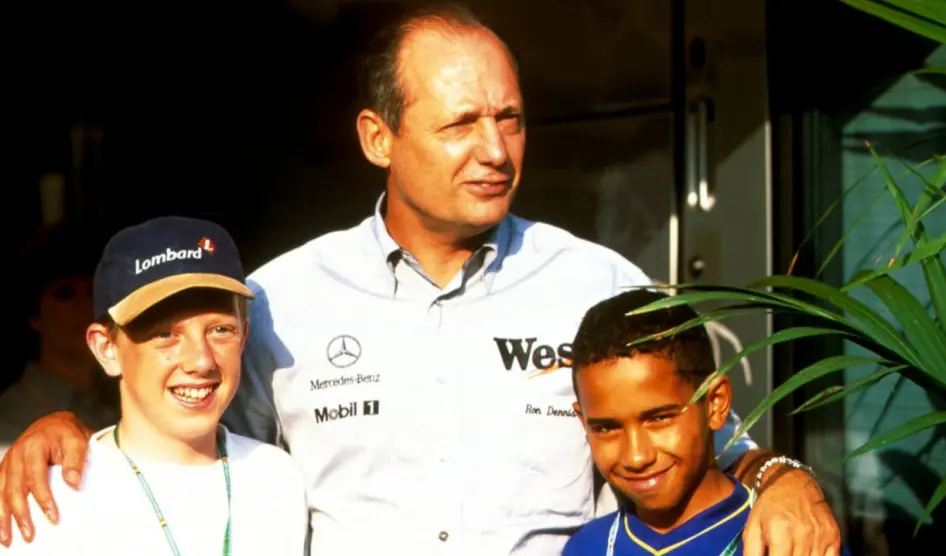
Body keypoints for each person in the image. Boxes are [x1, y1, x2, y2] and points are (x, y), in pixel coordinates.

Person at [0, 4, 840, 555]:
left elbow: (711, 446)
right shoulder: (283, 299)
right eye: (461, 124)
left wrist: (785, 479)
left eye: (510, 119)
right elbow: (191, 445)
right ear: (378, 138)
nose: (496, 150)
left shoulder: (599, 284)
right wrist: (68, 431)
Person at [0, 216, 309, 555]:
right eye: (165, 334)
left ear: (245, 334)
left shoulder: (278, 478)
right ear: (106, 349)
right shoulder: (46, 496)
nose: (201, 360)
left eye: (221, 330)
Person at [563, 290, 849, 556]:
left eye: (659, 418)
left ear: (715, 403)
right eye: (606, 428)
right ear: (583, 422)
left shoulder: (789, 539)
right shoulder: (586, 547)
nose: (636, 457)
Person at [0, 223, 117, 458]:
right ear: (34, 315)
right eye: (64, 294)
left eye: (92, 291)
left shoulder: (129, 399)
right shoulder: (9, 415)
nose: (85, 305)